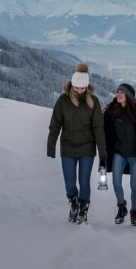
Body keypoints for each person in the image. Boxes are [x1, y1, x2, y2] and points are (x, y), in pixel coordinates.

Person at [47, 62, 106, 224]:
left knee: (84, 182)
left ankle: (83, 208)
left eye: (82, 88)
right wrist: (50, 147)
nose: (79, 91)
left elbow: (99, 128)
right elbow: (55, 125)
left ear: (87, 87)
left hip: (87, 147)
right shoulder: (63, 101)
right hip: (68, 147)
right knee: (70, 183)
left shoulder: (93, 101)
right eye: (76, 88)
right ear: (71, 85)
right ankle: (73, 202)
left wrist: (103, 154)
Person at [103, 83, 136, 226]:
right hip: (119, 153)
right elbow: (105, 133)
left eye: (122, 92)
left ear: (128, 96)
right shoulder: (111, 113)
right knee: (116, 182)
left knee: (134, 185)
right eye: (117, 92)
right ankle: (121, 206)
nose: (118, 94)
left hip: (135, 155)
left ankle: (134, 212)